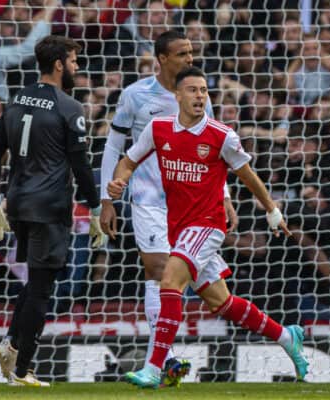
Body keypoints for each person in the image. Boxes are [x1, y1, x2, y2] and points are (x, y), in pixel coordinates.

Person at [107, 67, 309, 388]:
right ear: (178, 96)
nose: (200, 95)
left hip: (208, 225)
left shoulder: (221, 135)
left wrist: (272, 210)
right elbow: (129, 160)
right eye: (193, 90)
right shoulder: (159, 129)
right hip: (179, 227)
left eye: (204, 90)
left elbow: (248, 177)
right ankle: (287, 337)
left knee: (169, 280)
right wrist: (119, 181)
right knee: (222, 303)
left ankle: (155, 368)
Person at [99, 30, 237, 387]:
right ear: (161, 59)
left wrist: (224, 195)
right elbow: (114, 148)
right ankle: (161, 361)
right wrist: (106, 198)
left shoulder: (198, 93)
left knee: (215, 293)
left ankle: (285, 338)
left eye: (191, 53)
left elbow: (215, 149)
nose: (189, 59)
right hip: (147, 199)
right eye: (182, 54)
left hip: (192, 204)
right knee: (159, 269)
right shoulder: (135, 95)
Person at [0, 35, 105, 387]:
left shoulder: (17, 98)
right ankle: (22, 370)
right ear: (58, 65)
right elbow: (81, 166)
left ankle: (11, 344)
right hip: (48, 206)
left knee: (37, 280)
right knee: (42, 288)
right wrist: (95, 208)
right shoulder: (69, 107)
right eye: (74, 61)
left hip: (18, 203)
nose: (77, 68)